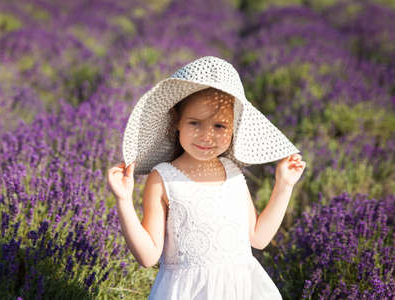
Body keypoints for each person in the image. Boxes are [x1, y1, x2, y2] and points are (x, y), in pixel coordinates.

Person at [107, 56, 306, 299]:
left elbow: (258, 238)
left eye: (219, 126)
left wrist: (284, 185)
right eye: (195, 123)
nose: (206, 136)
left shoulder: (233, 173)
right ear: (177, 121)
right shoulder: (163, 179)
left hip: (241, 290)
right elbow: (148, 257)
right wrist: (123, 201)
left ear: (233, 129)